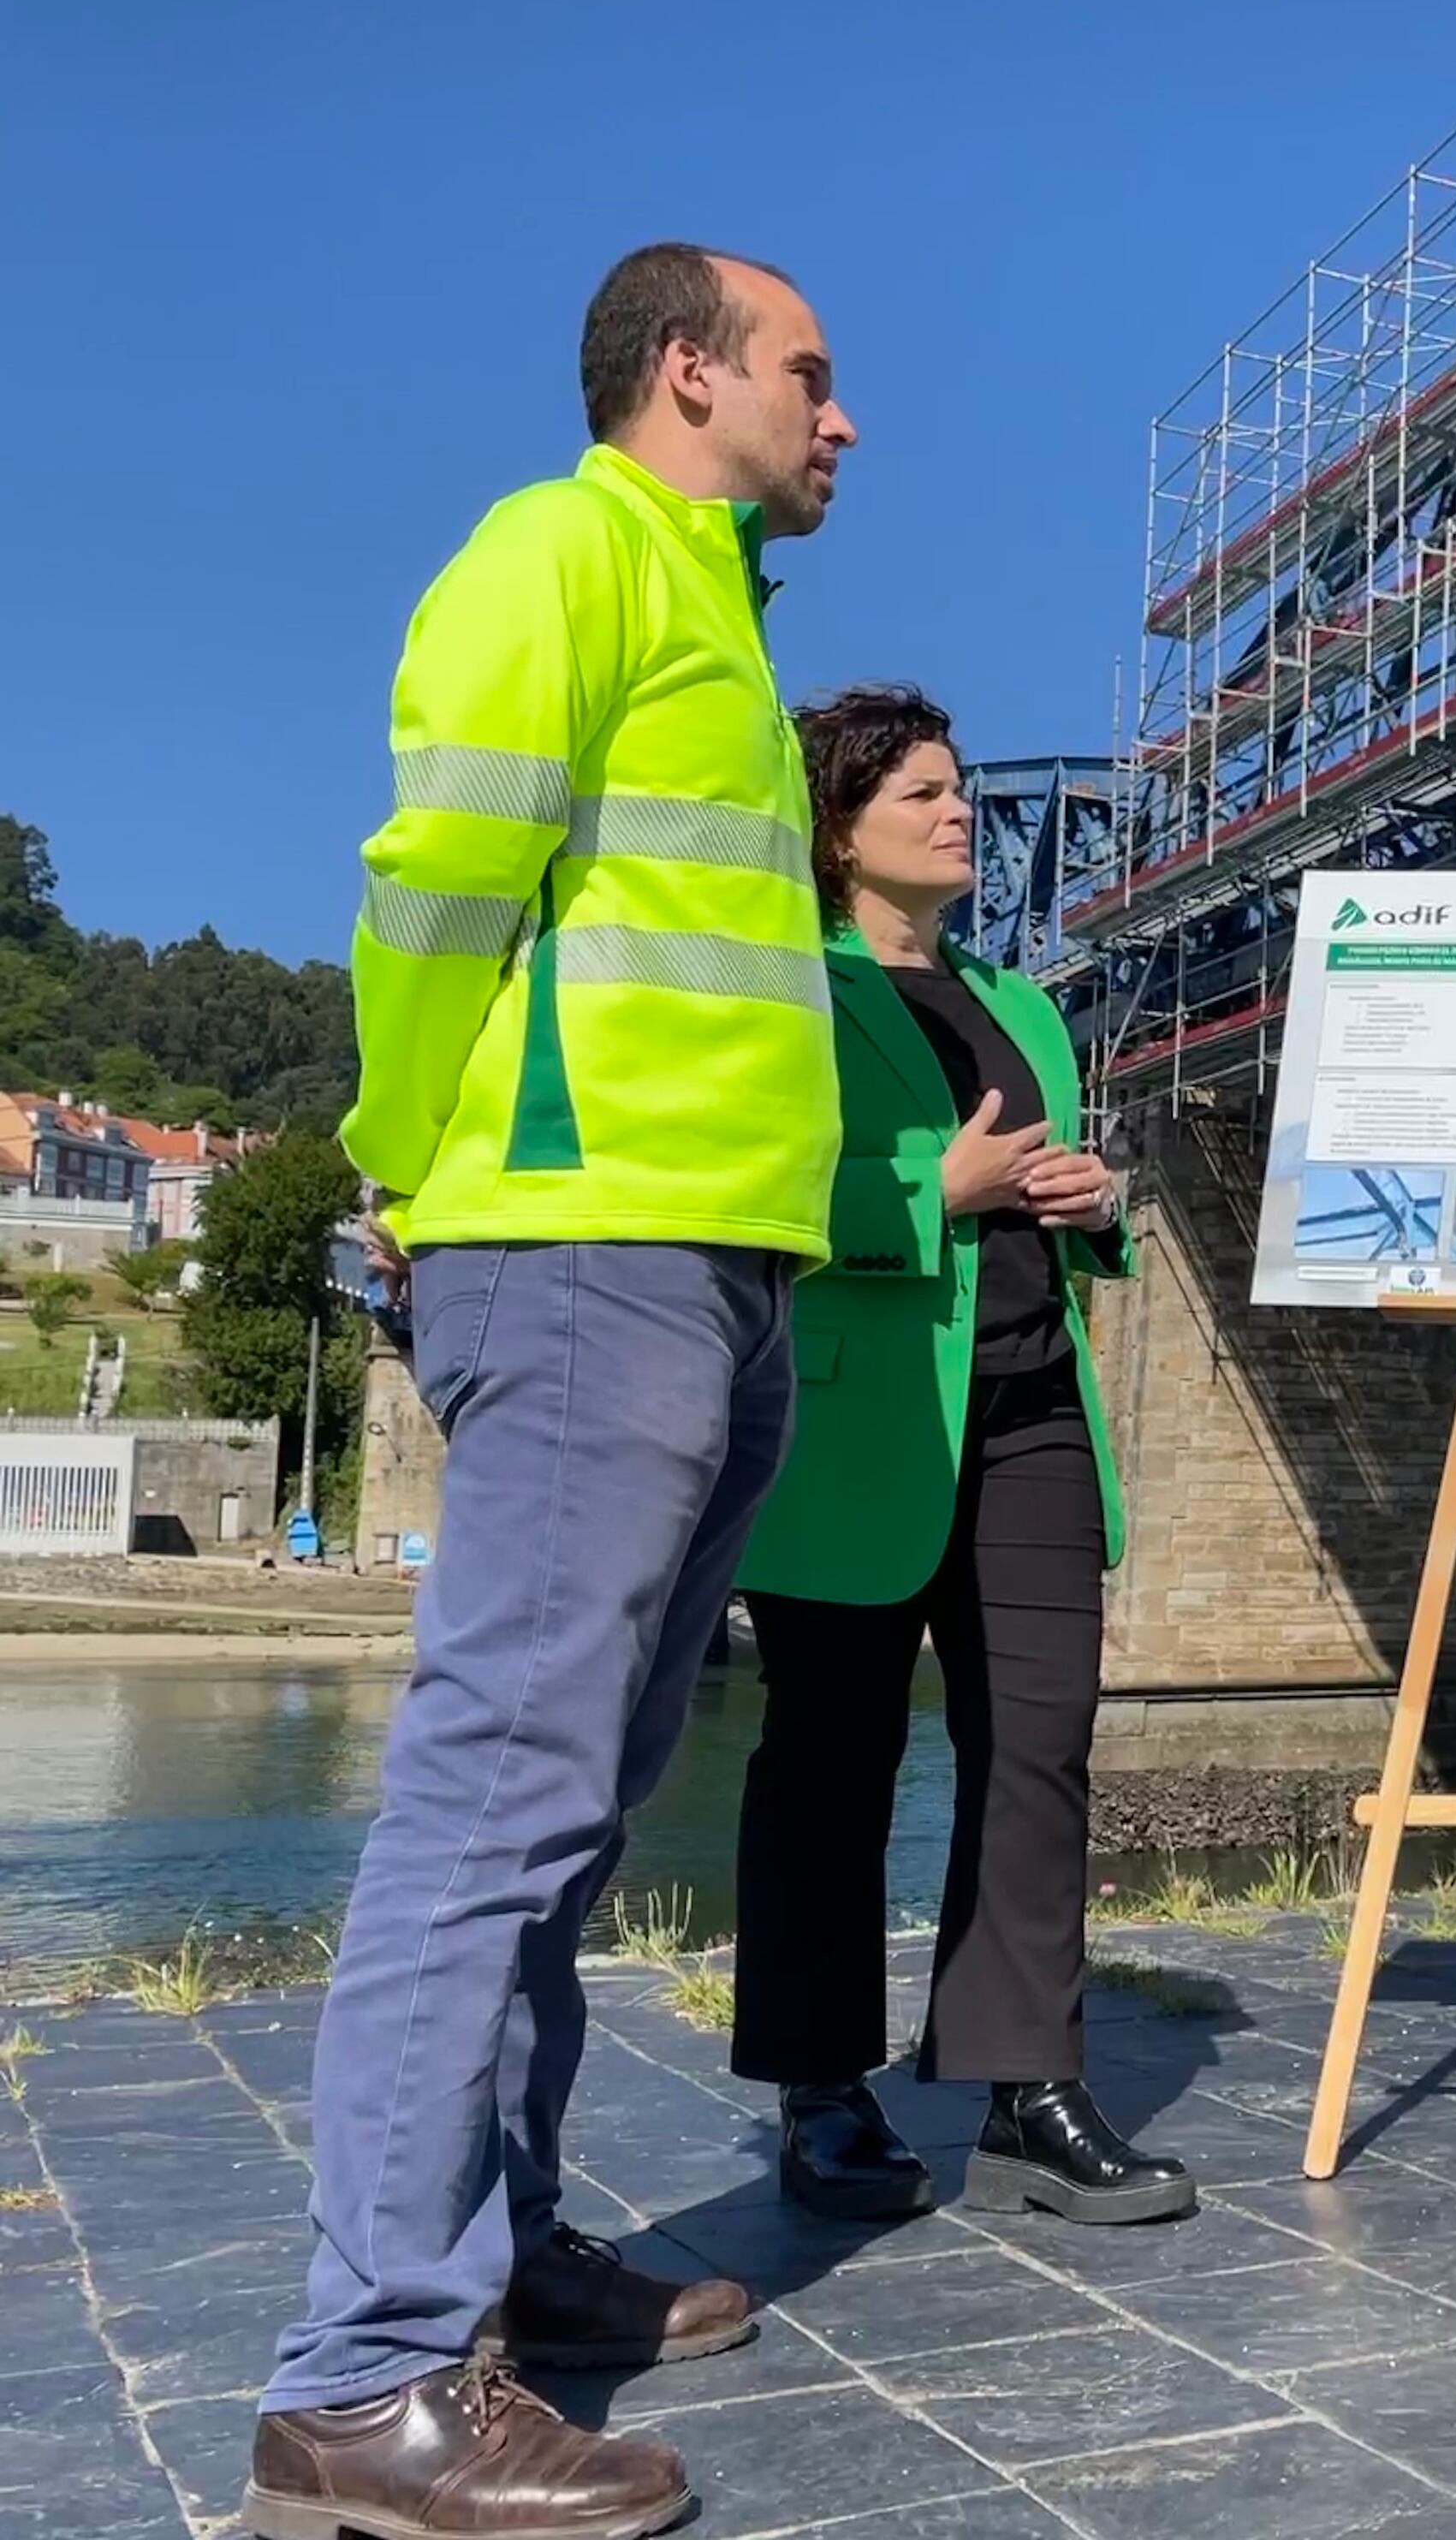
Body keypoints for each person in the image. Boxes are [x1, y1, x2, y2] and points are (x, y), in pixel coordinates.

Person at [251, 244, 855, 2540]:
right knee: (494, 1804)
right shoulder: (568, 550)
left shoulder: (710, 609)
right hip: (585, 1246)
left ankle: (487, 2262)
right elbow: (436, 888)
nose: (844, 415)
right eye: (812, 372)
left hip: (706, 1263)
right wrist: (407, 1157)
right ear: (686, 376)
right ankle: (368, 2378)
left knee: (574, 1815)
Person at [726, 685, 1196, 2230]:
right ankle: (822, 2092)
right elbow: (768, 1184)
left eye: (958, 788)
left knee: (1040, 1753)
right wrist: (946, 1176)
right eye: (918, 792)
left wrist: (1095, 1203)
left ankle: (1026, 2082)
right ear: (839, 833)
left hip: (1035, 1412)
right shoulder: (787, 988)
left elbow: (1067, 1197)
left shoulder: (1028, 1002)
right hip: (860, 1430)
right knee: (831, 1763)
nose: (954, 813)